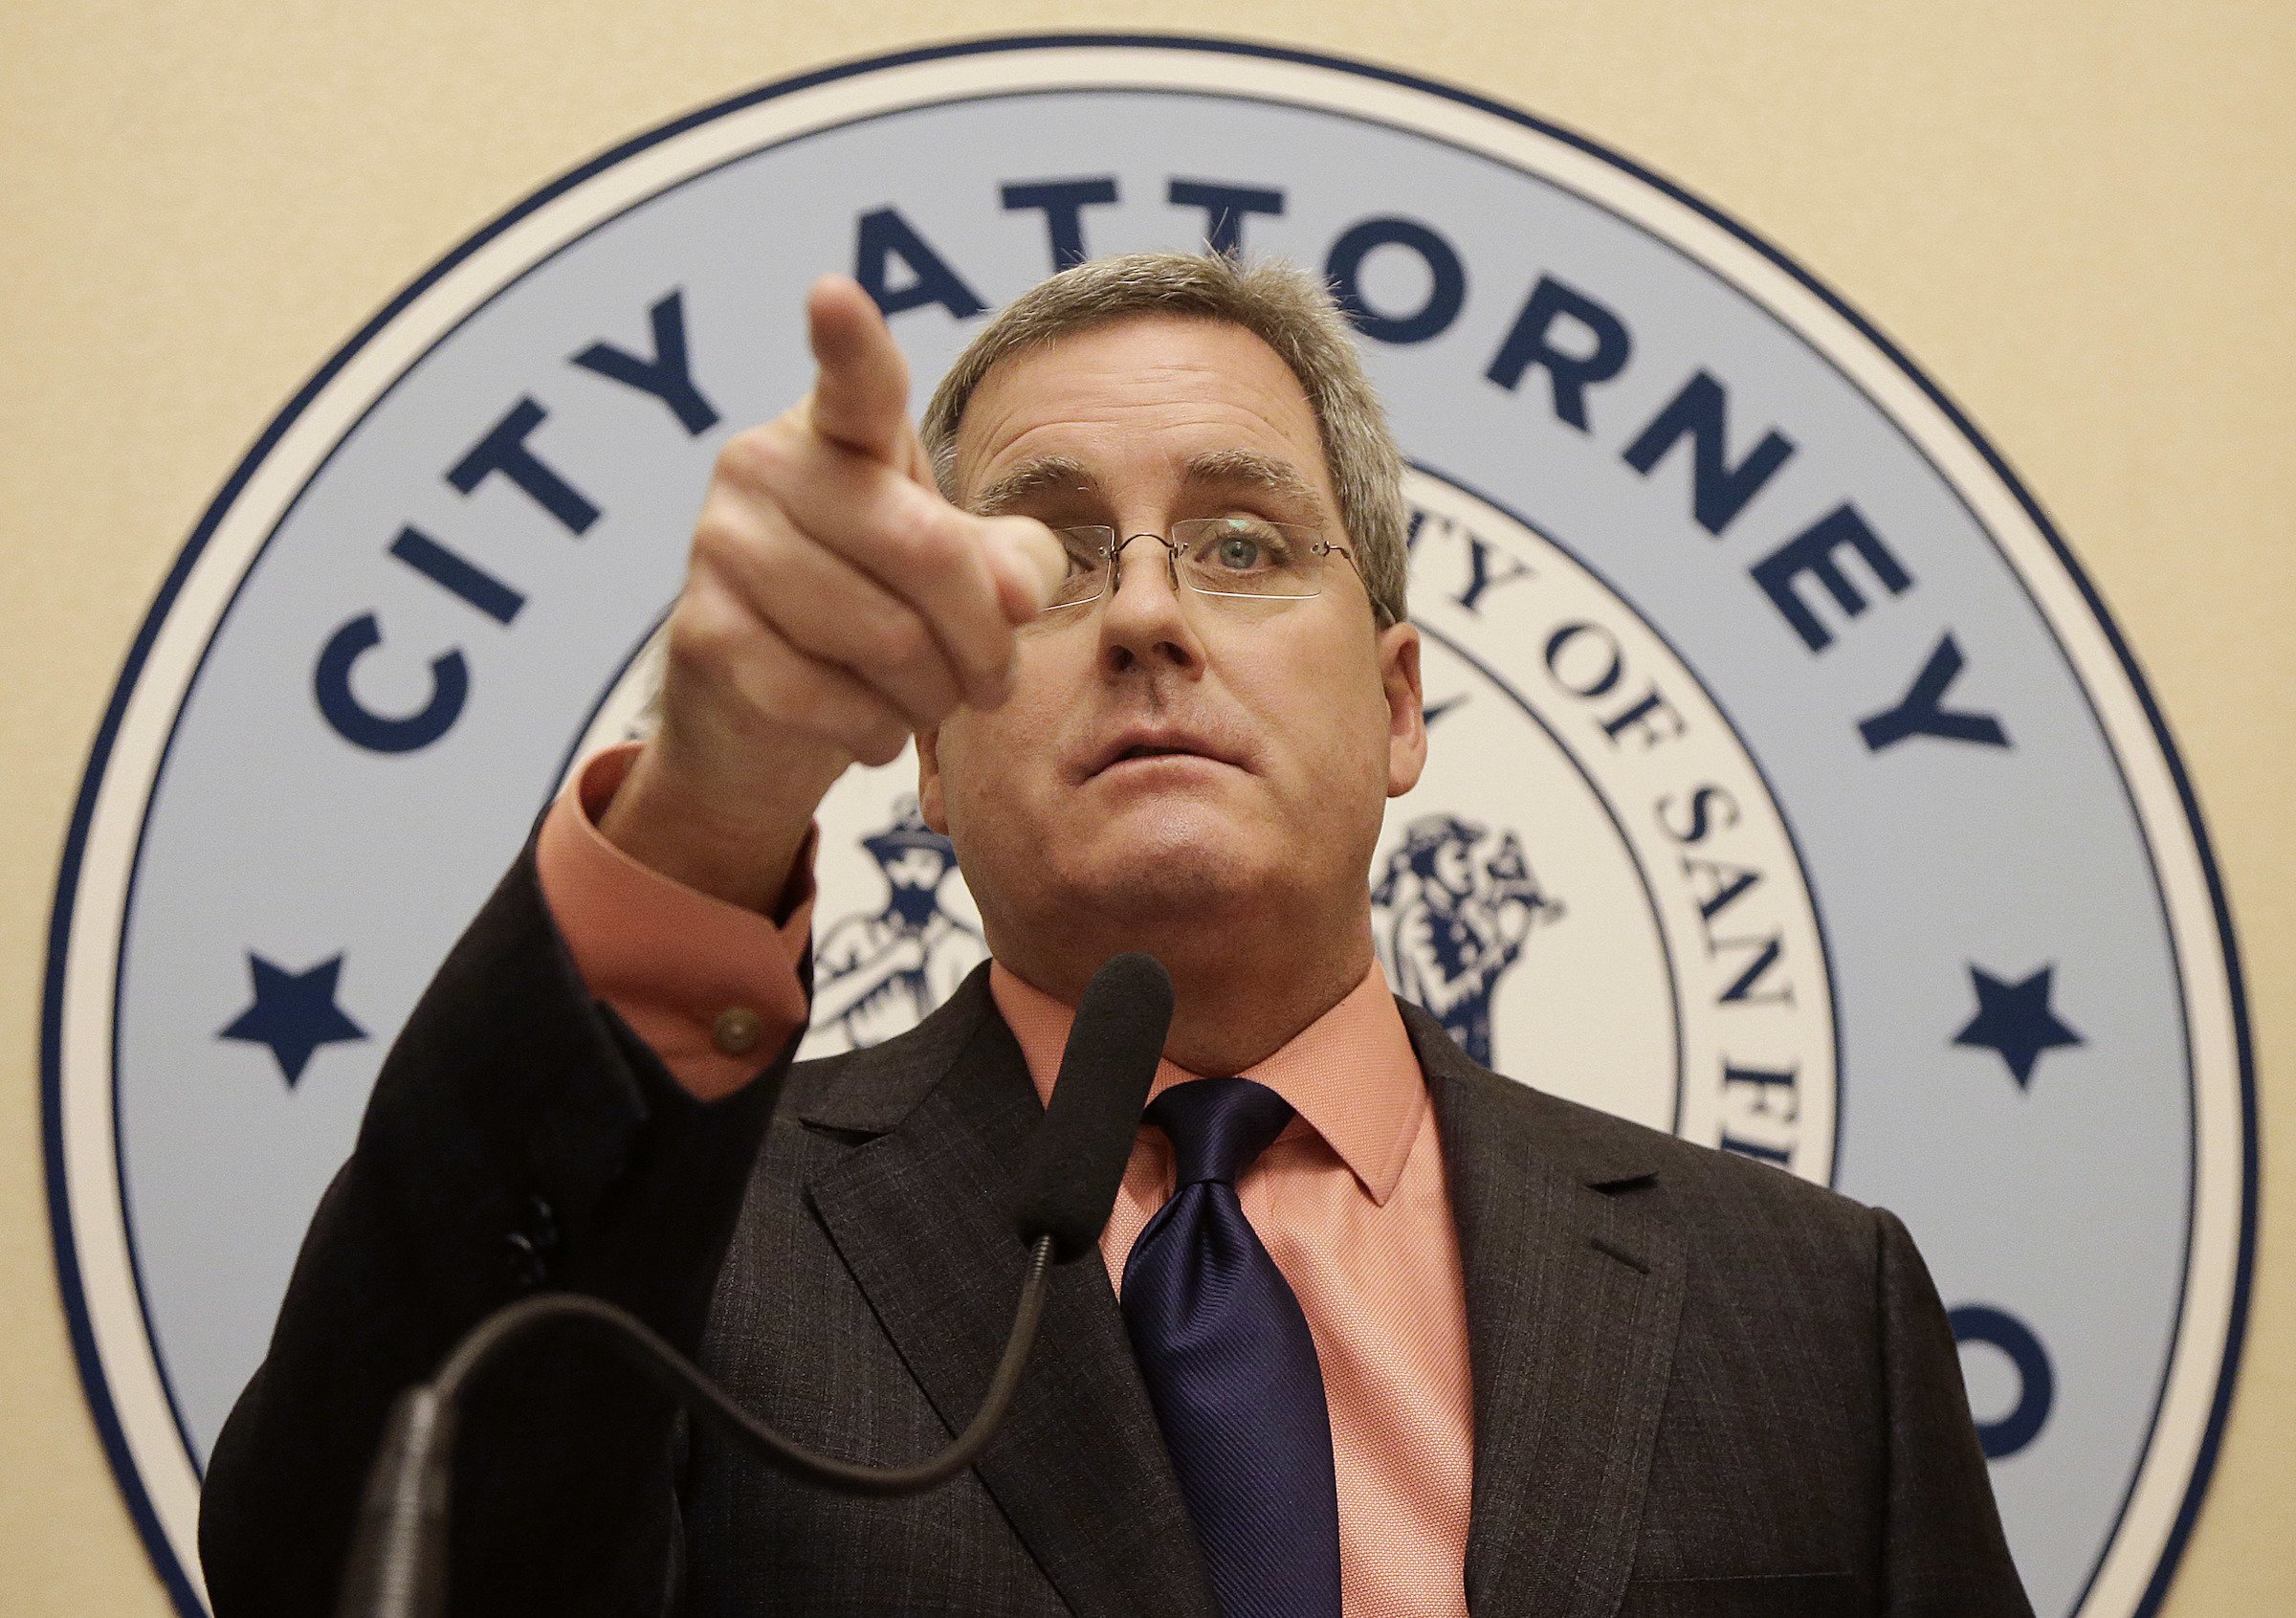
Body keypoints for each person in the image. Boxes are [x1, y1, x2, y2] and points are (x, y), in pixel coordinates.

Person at [199, 253, 2032, 1618]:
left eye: (1240, 545)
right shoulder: (690, 1254)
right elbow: (337, 1572)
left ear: (1399, 705)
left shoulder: (1813, 1308)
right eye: (1055, 556)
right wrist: (704, 815)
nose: (1148, 614)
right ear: (928, 748)